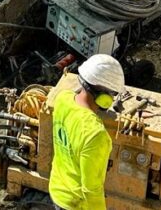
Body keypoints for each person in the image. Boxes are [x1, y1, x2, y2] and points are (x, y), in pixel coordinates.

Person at [49, 54, 126, 210]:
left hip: (57, 189)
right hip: (75, 204)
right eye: (113, 94)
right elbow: (91, 189)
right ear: (104, 97)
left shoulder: (62, 99)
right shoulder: (95, 135)